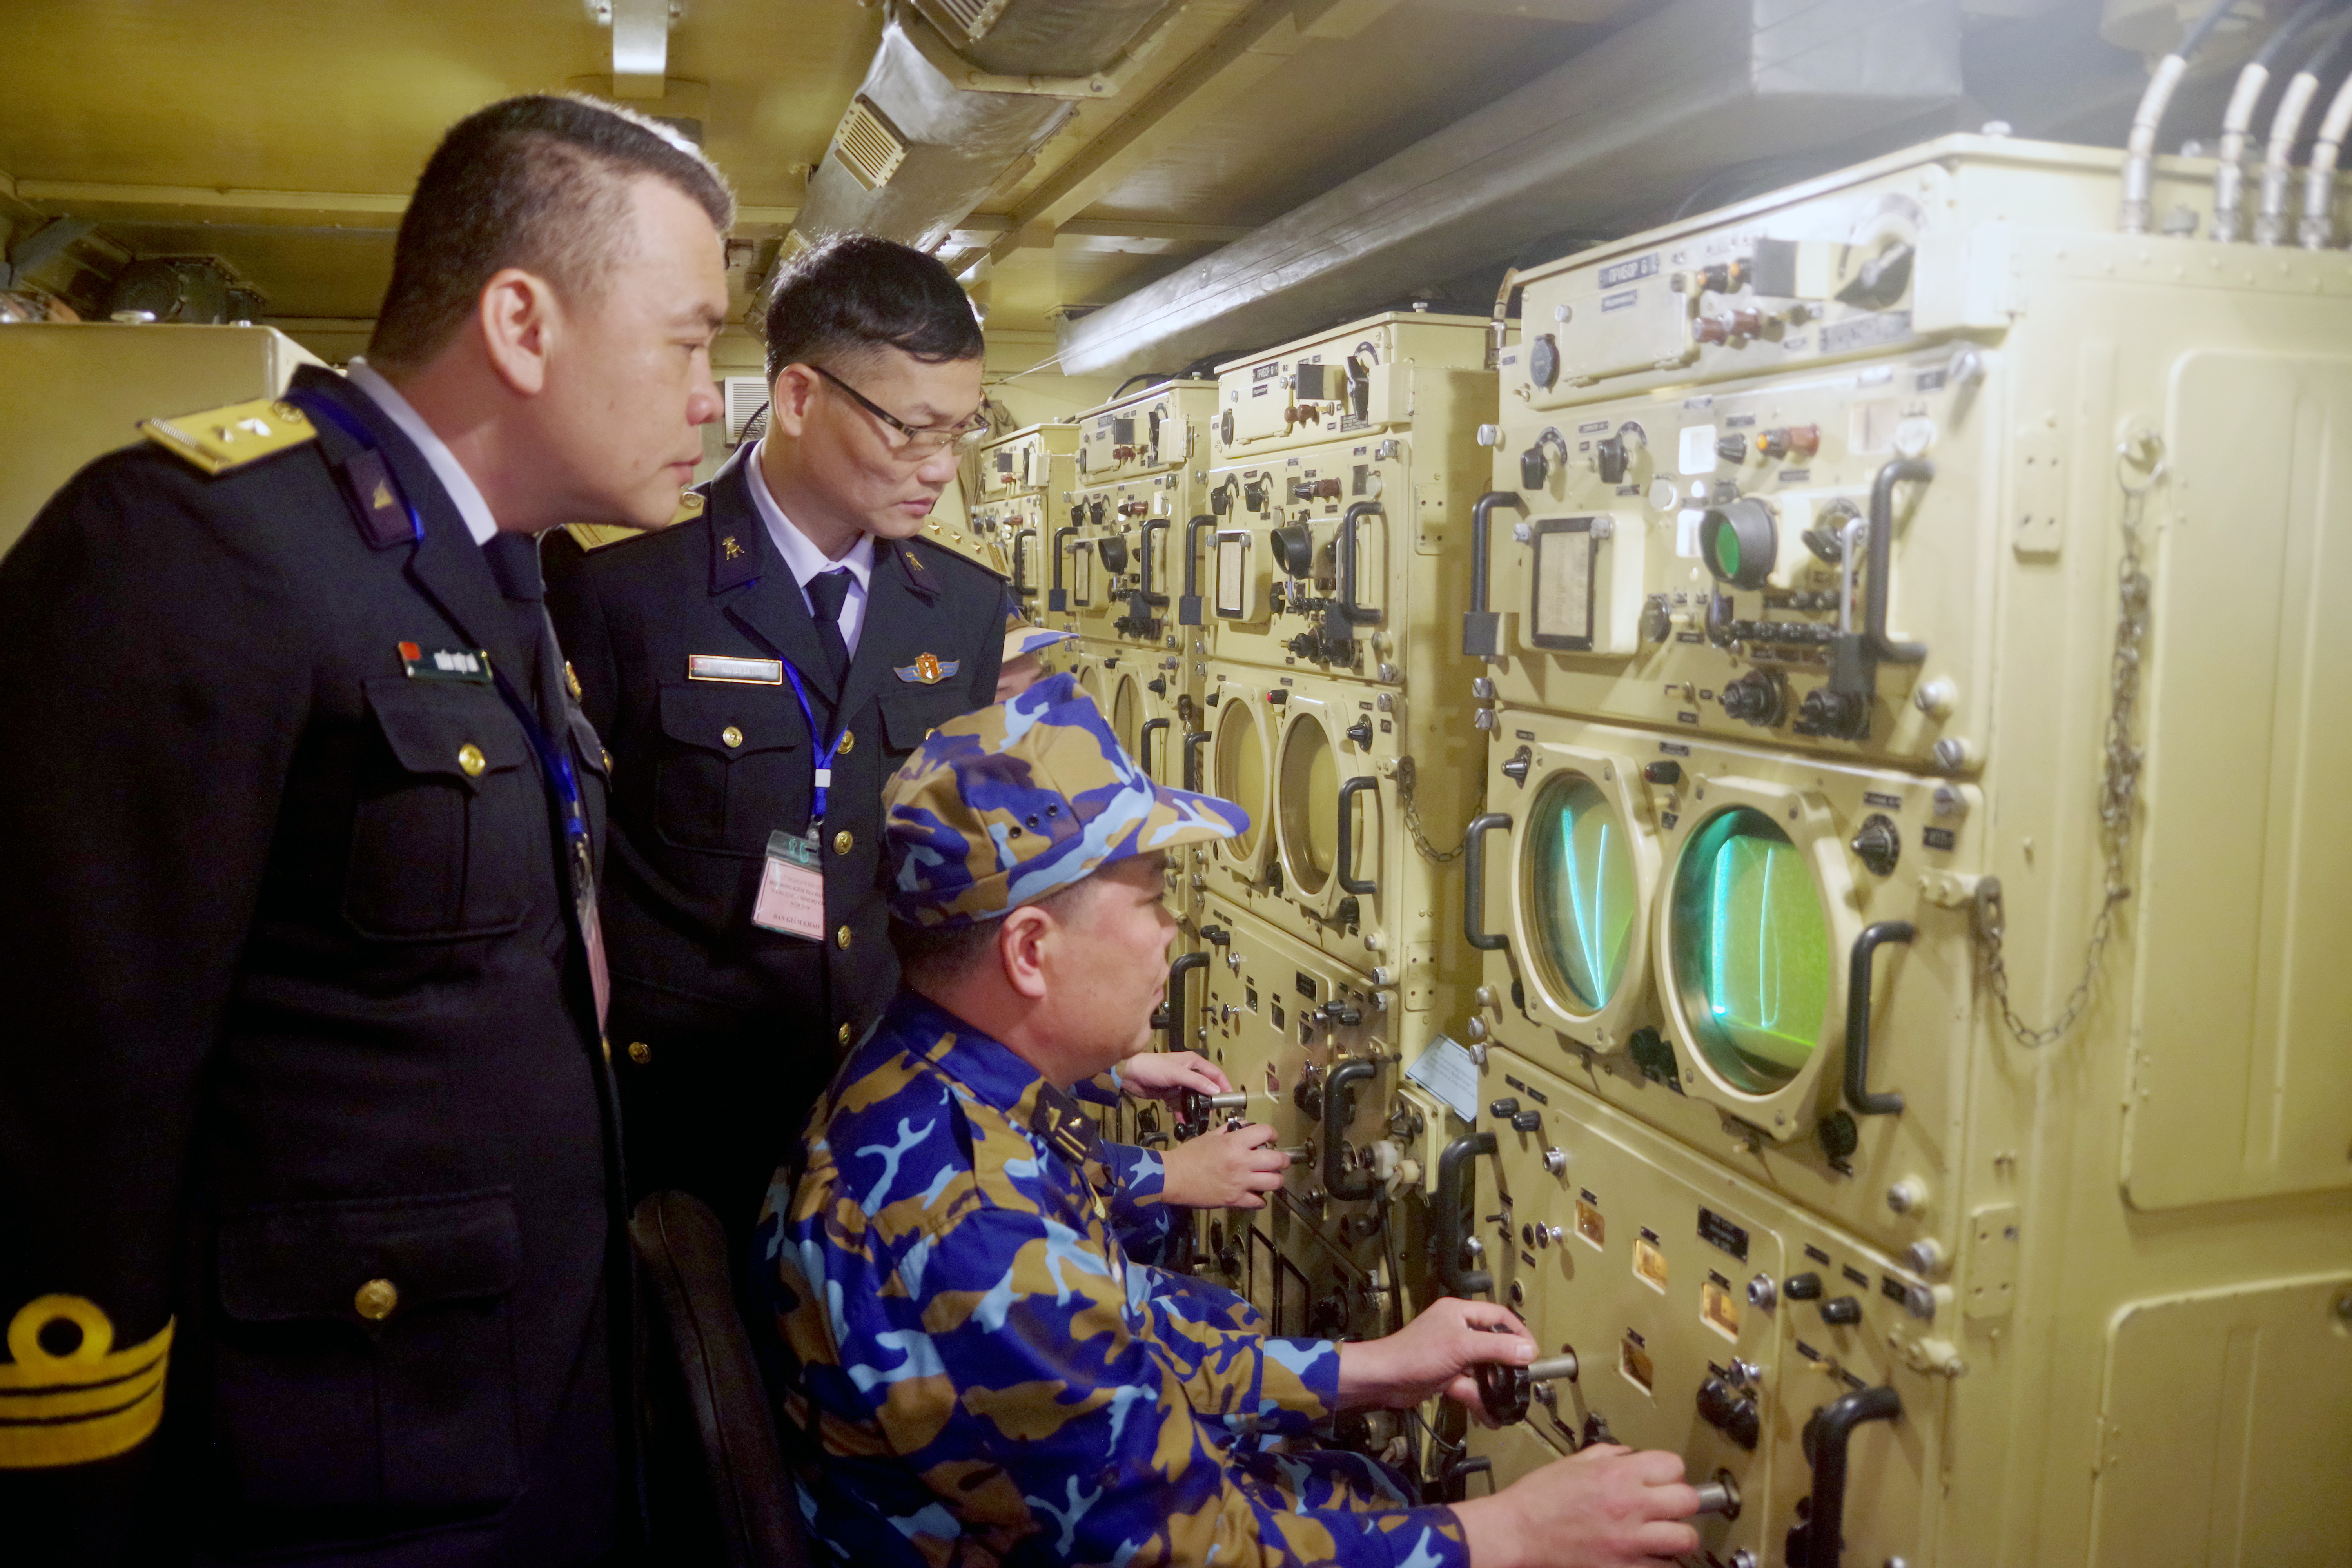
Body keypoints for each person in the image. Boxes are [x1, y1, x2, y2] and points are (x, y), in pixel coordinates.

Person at [0, 95, 732, 1563]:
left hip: (487, 1415)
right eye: (691, 341)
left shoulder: (489, 570)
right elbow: (63, 1093)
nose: (712, 399)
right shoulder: (198, 548)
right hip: (318, 1474)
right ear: (522, 325)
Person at [754, 673, 1703, 1568]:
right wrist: (1512, 1530)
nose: (1175, 931)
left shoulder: (926, 1078)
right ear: (1031, 950)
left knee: (1354, 1476)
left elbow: (1121, 1333)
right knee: (1374, 1494)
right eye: (1154, 899)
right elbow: (1206, 1549)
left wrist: (1372, 1367)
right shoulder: (978, 1227)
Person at [543, 234, 1015, 1253]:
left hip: (881, 1122)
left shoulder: (963, 605)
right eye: (912, 430)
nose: (942, 467)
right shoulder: (625, 585)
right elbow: (558, 878)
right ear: (798, 397)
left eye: (961, 431)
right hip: (681, 1130)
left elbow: (954, 871)